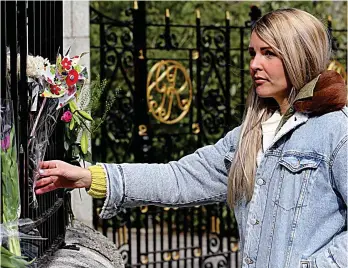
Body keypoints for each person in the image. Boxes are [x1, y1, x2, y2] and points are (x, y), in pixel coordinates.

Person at [35, 8, 347, 268]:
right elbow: (179, 178)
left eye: (268, 54)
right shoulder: (250, 136)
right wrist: (89, 176)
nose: (254, 65)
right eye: (252, 52)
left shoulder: (335, 130)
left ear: (299, 55)